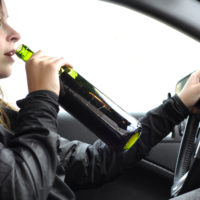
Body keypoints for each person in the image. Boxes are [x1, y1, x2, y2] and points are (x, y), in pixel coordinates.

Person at [0, 0, 200, 199]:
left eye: (7, 20)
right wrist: (42, 96)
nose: (15, 33)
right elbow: (23, 191)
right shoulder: (34, 109)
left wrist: (177, 106)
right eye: (0, 23)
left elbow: (91, 164)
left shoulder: (4, 117)